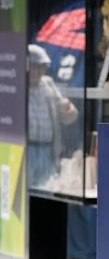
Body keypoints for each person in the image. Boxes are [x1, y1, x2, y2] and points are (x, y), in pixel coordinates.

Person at [26, 43, 78, 187]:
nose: (36, 71)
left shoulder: (48, 84)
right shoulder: (15, 85)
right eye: (33, 66)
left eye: (40, 67)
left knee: (45, 189)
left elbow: (68, 114)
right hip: (26, 150)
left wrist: (69, 110)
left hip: (47, 150)